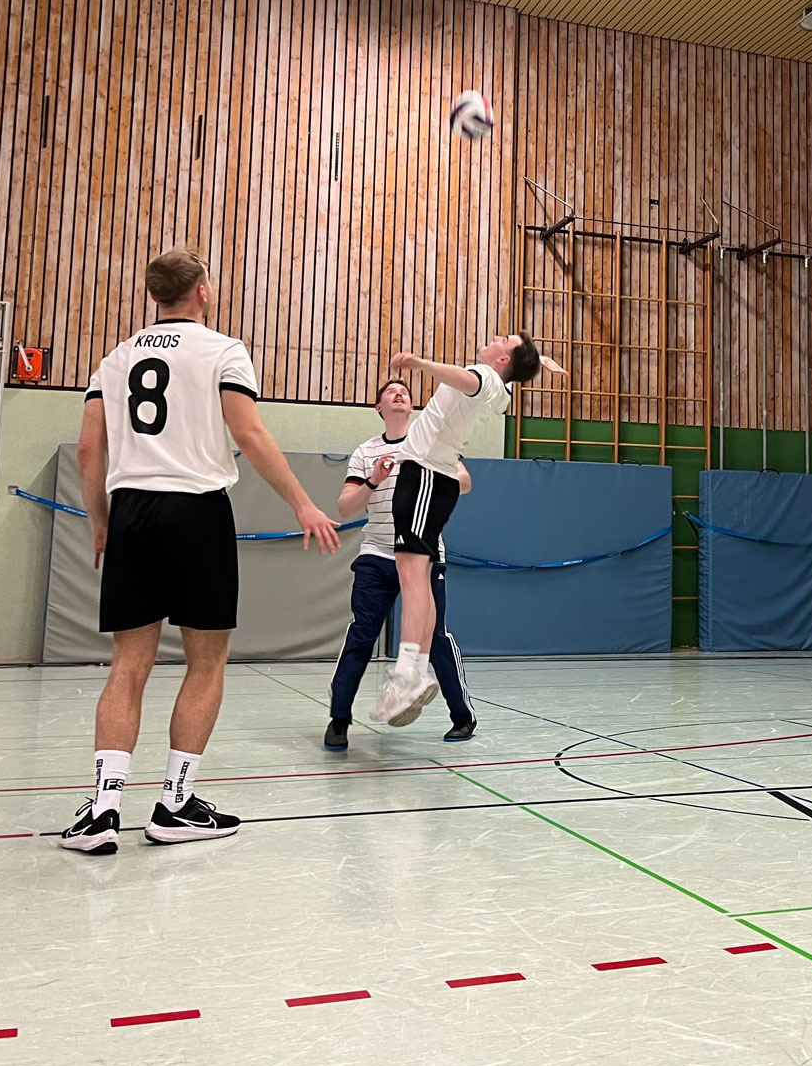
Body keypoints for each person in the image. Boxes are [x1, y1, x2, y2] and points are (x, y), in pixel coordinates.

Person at [60, 249, 341, 854]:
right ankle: (174, 803)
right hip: (197, 512)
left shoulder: (114, 359)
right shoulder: (223, 350)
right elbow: (248, 432)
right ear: (203, 292)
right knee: (206, 663)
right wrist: (302, 503)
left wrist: (101, 522)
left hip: (132, 511)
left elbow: (88, 450)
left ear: (154, 295)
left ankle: (103, 809)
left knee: (127, 665)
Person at [372, 333, 547, 726]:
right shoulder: (503, 391)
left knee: (412, 577)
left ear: (503, 359)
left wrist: (420, 363)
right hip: (435, 479)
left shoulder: (483, 376)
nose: (495, 337)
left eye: (504, 339)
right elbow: (503, 371)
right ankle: (414, 670)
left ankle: (408, 675)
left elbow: (467, 380)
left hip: (425, 475)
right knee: (420, 578)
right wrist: (540, 362)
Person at [325, 379, 476, 750]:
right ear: (379, 408)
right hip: (377, 556)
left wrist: (430, 473)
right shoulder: (365, 452)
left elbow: (465, 482)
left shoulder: (432, 440)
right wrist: (373, 480)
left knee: (435, 637)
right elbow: (344, 507)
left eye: (405, 392)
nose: (399, 394)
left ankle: (462, 716)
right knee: (361, 634)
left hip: (423, 554)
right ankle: (339, 719)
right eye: (390, 392)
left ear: (412, 407)